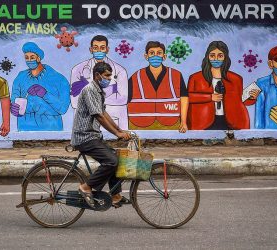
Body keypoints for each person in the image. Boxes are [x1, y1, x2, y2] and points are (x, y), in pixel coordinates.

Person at [71, 61, 131, 208]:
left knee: (115, 158)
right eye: (107, 76)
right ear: (97, 75)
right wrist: (116, 132)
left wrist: (120, 130)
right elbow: (99, 116)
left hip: (93, 136)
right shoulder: (90, 89)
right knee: (111, 161)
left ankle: (115, 195)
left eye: (110, 76)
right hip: (84, 137)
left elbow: (104, 113)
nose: (109, 79)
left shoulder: (99, 91)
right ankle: (86, 187)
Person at [187, 41, 256, 130]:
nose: (216, 59)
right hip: (204, 123)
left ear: (225, 57)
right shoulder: (195, 78)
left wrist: (251, 98)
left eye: (220, 56)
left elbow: (240, 101)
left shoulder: (236, 79)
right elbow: (187, 97)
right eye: (212, 55)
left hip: (231, 122)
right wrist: (210, 97)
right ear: (207, 57)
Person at [128, 41, 188, 132]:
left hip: (170, 123)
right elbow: (124, 100)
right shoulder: (136, 76)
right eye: (152, 53)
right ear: (146, 56)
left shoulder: (176, 75)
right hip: (139, 124)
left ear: (164, 57)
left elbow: (184, 98)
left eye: (159, 53)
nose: (155, 56)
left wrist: (183, 122)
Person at [70, 35, 129, 130]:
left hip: (114, 117)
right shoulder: (78, 69)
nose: (99, 51)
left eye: (102, 48)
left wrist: (90, 95)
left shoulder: (120, 70)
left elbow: (123, 99)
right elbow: (75, 101)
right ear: (91, 49)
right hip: (86, 121)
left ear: (107, 49)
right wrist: (112, 89)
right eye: (95, 48)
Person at [11, 42, 70, 131]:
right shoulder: (20, 78)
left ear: (38, 58)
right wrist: (14, 108)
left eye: (32, 57)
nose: (29, 60)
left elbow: (63, 108)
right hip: (25, 130)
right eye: (26, 57)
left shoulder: (59, 79)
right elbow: (14, 100)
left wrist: (45, 94)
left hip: (51, 130)